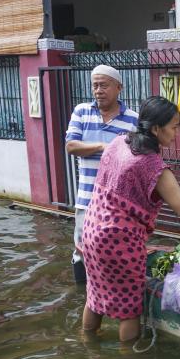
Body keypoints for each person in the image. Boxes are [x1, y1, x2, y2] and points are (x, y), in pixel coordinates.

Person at [81, 96, 180, 342]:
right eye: (173, 127)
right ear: (155, 128)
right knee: (129, 309)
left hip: (91, 230)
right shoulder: (153, 167)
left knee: (95, 295)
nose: (176, 133)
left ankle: (88, 343)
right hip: (118, 241)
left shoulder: (119, 142)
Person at [65, 65, 139, 283]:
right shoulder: (82, 112)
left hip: (117, 201)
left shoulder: (133, 119)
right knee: (81, 249)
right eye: (95, 85)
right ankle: (84, 295)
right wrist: (102, 147)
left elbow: (136, 157)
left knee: (113, 250)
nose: (98, 90)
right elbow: (71, 146)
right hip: (87, 199)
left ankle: (110, 291)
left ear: (119, 88)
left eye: (104, 85)